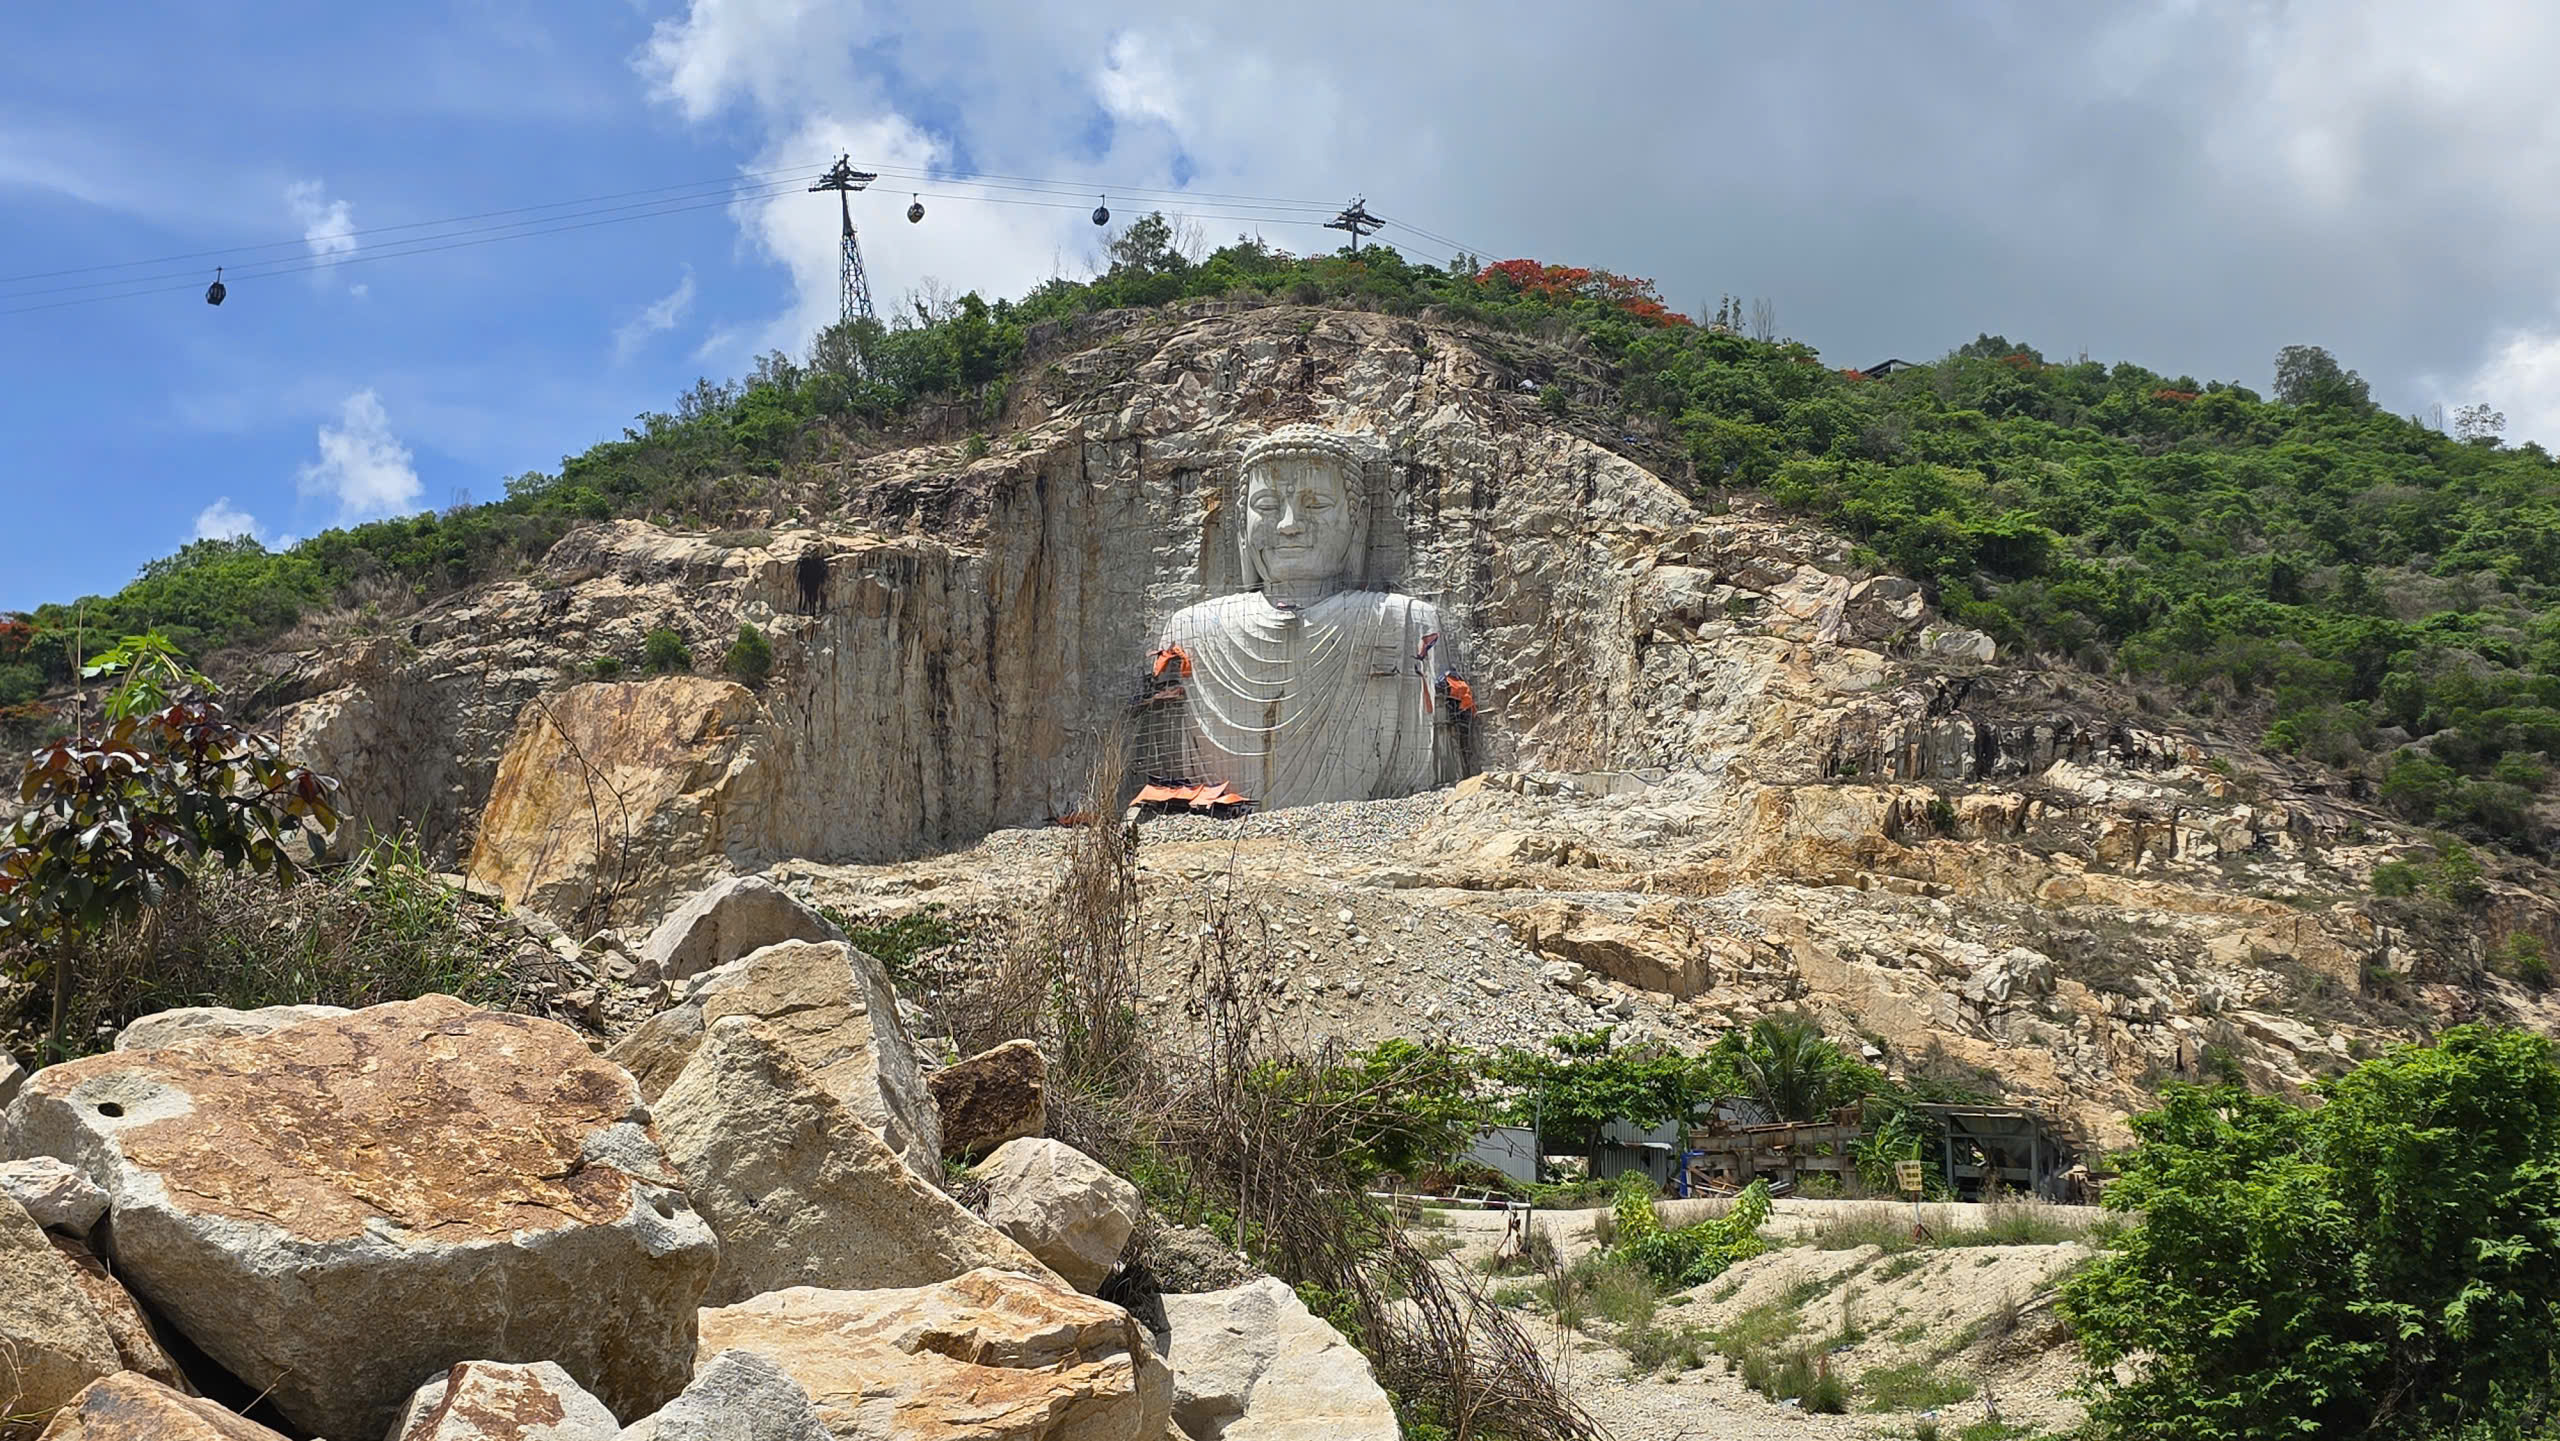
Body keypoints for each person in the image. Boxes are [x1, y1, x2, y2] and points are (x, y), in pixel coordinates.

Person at [1146, 426, 1464, 809]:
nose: (1289, 524)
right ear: (1241, 526)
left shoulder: (1405, 621)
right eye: (1266, 506)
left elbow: (1437, 760)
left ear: (1358, 520)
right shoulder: (1192, 629)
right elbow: (1163, 749)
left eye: (1315, 504)